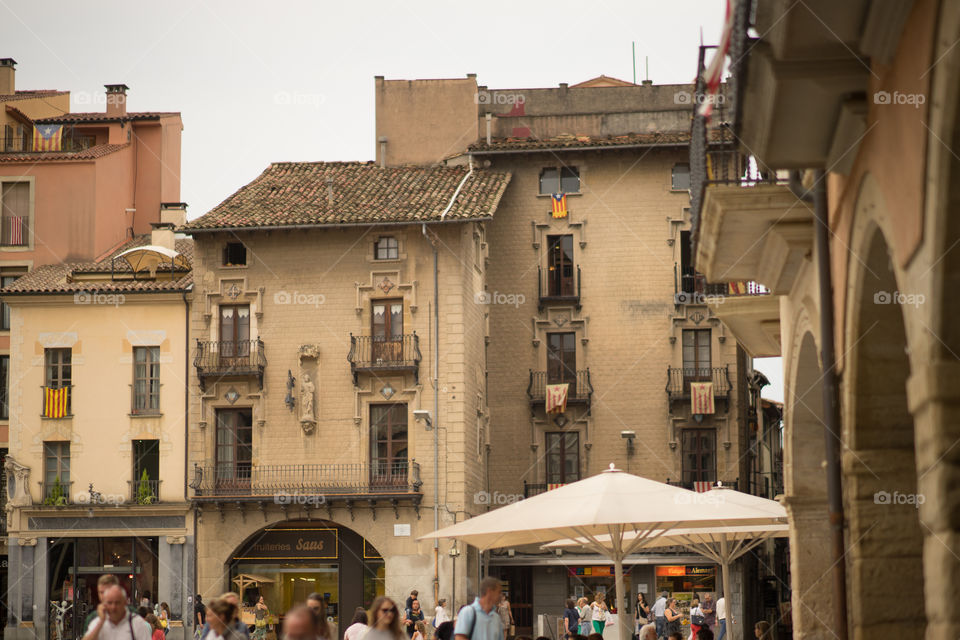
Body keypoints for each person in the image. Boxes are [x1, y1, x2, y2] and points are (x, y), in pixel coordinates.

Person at [82, 585, 153, 640]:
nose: (113, 607)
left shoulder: (137, 623)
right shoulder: (98, 622)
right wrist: (101, 622)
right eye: (110, 603)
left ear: (125, 603)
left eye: (117, 602)